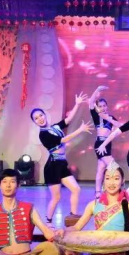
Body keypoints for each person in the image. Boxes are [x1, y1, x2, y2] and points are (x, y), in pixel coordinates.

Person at [31, 93, 93, 225]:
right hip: (52, 167)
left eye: (41, 115)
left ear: (45, 115)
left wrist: (77, 104)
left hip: (61, 164)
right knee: (56, 197)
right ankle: (48, 222)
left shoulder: (54, 127)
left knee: (76, 189)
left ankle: (73, 217)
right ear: (34, 122)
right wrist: (80, 130)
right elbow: (63, 140)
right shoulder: (43, 135)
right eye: (36, 118)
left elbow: (68, 120)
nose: (40, 119)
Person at [88, 85, 123, 198]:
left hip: (108, 145)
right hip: (100, 144)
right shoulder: (96, 116)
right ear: (97, 107)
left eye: (104, 105)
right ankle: (118, 191)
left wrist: (109, 119)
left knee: (101, 168)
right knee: (114, 166)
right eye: (100, 106)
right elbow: (90, 102)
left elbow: (121, 126)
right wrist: (97, 89)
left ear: (107, 106)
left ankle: (98, 192)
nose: (102, 108)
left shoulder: (110, 117)